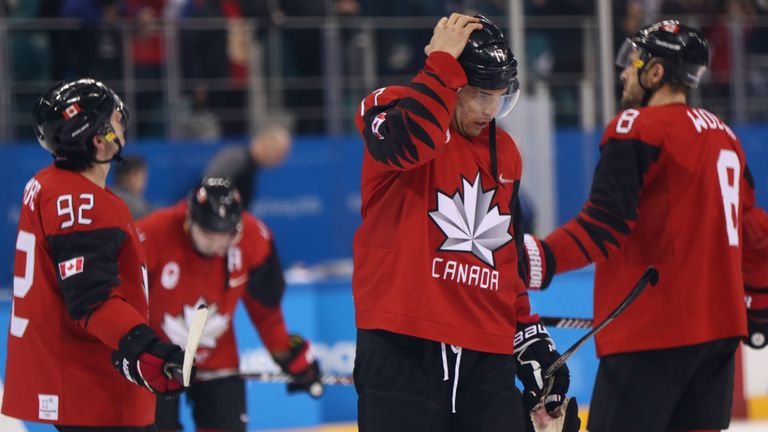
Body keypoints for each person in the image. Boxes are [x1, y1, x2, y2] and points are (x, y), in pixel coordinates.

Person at [522, 20, 768, 431]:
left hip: (652, 332)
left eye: (631, 62)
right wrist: (758, 308)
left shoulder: (637, 127)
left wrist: (540, 258)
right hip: (720, 335)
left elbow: (604, 223)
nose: (622, 72)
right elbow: (755, 231)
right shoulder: (725, 135)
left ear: (655, 73)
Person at [352, 14, 579, 431]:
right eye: (478, 95)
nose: (489, 110)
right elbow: (408, 146)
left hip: (484, 348)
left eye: (499, 96)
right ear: (452, 82)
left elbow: (503, 251)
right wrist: (440, 60)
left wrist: (525, 331)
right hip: (403, 342)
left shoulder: (505, 151)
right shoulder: (389, 106)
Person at [3, 78, 185, 431]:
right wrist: (143, 347)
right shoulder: (81, 202)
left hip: (76, 380)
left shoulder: (47, 184)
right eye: (113, 119)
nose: (122, 121)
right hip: (93, 387)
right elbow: (92, 298)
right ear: (99, 140)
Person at [137, 176, 322, 432]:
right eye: (208, 236)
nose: (218, 247)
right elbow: (125, 303)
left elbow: (265, 309)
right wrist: (140, 353)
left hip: (218, 360)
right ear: (190, 221)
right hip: (156, 361)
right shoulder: (152, 234)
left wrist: (286, 354)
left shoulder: (254, 238)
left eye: (227, 237)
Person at [204, 124, 292, 210]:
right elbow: (209, 187)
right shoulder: (237, 159)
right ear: (266, 144)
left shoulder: (249, 165)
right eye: (279, 154)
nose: (279, 162)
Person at [112, 155, 154, 219]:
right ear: (134, 176)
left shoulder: (104, 199)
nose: (145, 181)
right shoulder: (140, 210)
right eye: (143, 176)